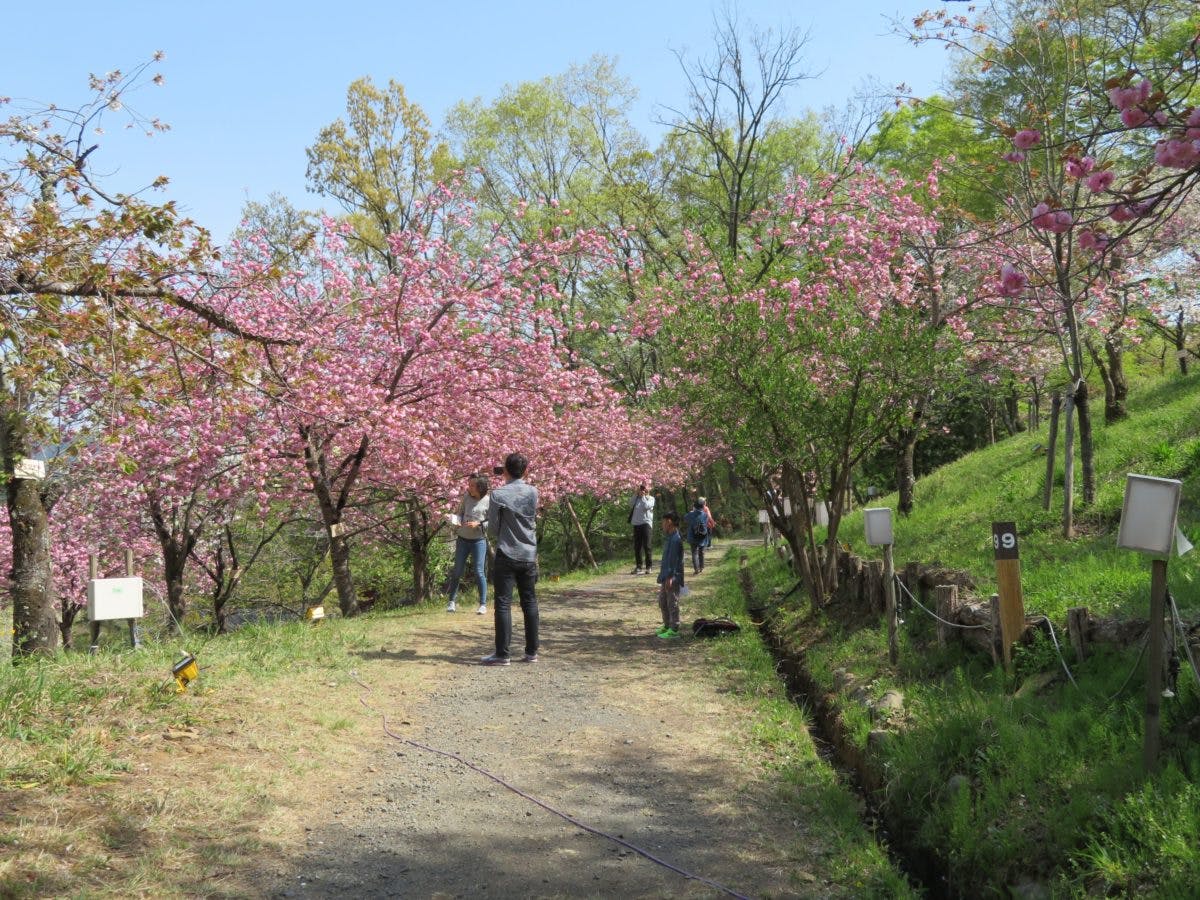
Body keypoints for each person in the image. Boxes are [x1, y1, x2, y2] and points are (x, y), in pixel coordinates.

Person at [482, 452, 539, 666]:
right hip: (528, 553)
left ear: (505, 470)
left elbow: (494, 528)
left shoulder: (498, 494)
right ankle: (532, 651)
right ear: (526, 471)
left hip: (507, 552)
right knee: (530, 602)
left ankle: (502, 654)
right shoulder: (533, 492)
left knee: (503, 603)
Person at [446, 473, 490, 615]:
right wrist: (454, 519)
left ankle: (482, 604)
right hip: (463, 539)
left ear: (480, 487)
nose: (469, 487)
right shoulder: (466, 497)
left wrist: (479, 524)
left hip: (478, 540)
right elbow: (460, 514)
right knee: (457, 570)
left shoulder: (488, 501)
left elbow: (493, 522)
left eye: (472, 485)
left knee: (479, 571)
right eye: (469, 484)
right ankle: (451, 602)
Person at [655, 512, 684, 638]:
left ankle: (674, 629)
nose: (662, 525)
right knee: (663, 601)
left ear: (669, 522)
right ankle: (667, 625)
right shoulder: (670, 538)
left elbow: (674, 561)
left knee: (672, 602)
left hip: (672, 577)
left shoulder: (676, 539)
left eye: (663, 522)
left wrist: (671, 577)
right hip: (665, 576)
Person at [628, 482, 655, 575]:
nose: (643, 490)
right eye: (642, 489)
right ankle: (639, 567)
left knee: (647, 546)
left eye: (645, 489)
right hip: (636, 524)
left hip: (646, 524)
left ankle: (649, 567)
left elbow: (646, 506)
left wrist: (643, 497)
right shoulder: (636, 498)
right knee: (637, 547)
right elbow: (630, 504)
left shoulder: (651, 499)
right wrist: (636, 494)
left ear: (649, 490)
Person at [684, 498, 712, 575]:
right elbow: (706, 522)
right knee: (701, 552)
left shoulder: (690, 514)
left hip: (692, 536)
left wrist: (691, 512)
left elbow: (685, 519)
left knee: (694, 553)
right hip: (702, 536)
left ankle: (696, 569)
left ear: (694, 507)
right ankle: (702, 567)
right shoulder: (705, 515)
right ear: (702, 507)